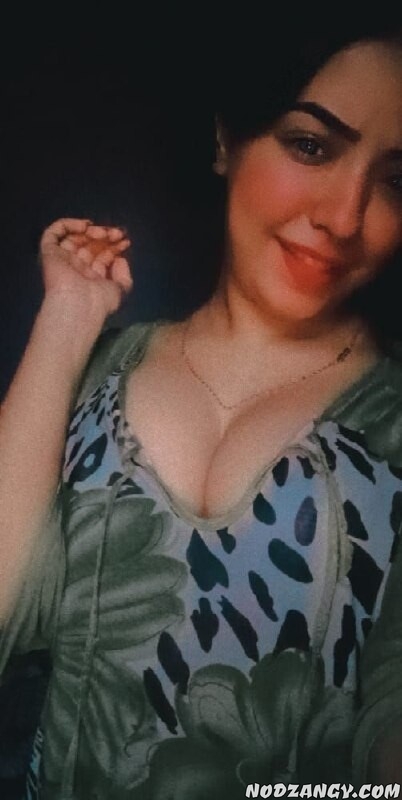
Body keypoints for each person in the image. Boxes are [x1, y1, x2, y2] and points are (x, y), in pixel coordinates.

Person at [1, 21, 402, 798]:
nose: (346, 217)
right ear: (227, 139)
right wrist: (66, 322)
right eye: (311, 146)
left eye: (396, 182)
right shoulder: (95, 369)